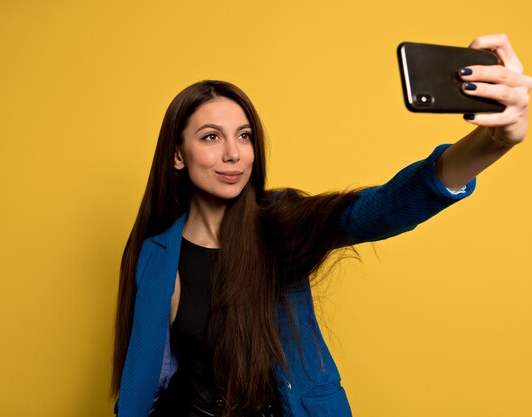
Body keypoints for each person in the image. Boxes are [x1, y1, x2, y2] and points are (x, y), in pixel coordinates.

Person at [111, 34, 531, 417]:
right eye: (210, 137)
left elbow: (380, 207)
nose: (234, 154)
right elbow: (146, 382)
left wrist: (495, 141)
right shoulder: (155, 251)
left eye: (244, 136)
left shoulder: (279, 223)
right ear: (177, 156)